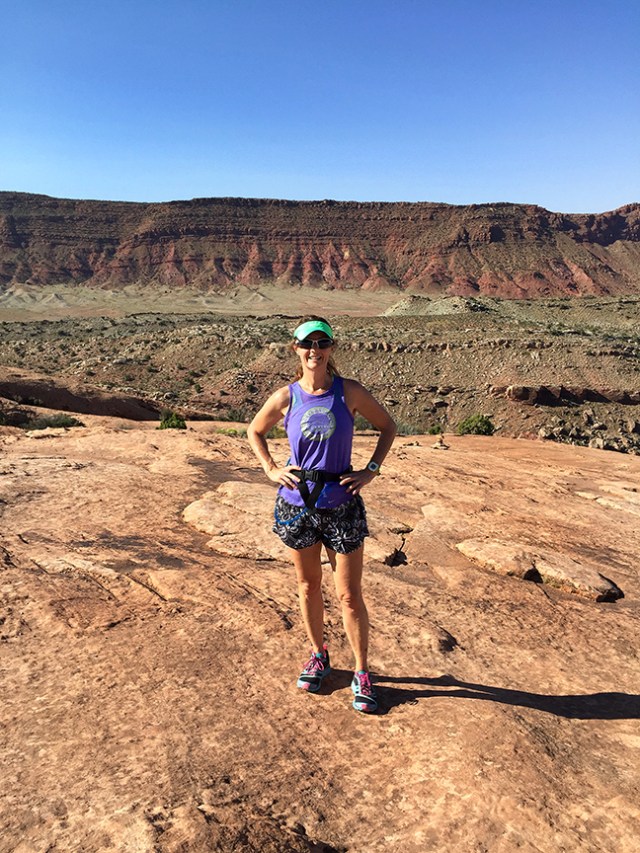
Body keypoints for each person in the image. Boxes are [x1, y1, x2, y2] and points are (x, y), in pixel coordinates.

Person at [247, 317, 396, 713]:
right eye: (306, 343)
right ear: (295, 349)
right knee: (309, 586)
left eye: (322, 342)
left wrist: (371, 470)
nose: (315, 349)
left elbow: (388, 426)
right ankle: (319, 654)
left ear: (331, 347)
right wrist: (270, 468)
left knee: (348, 594)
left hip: (342, 504)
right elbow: (254, 431)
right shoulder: (287, 396)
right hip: (298, 504)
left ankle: (362, 673)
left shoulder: (349, 392)